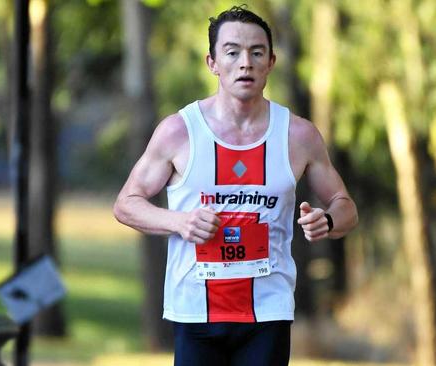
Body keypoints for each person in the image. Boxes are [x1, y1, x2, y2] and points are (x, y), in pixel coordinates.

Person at [113, 5, 358, 366]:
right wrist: (179, 222)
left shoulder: (298, 135)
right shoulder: (179, 131)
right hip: (196, 310)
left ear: (271, 62)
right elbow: (126, 204)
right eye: (232, 52)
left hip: (267, 310)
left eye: (256, 52)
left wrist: (329, 220)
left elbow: (346, 206)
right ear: (212, 62)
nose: (245, 63)